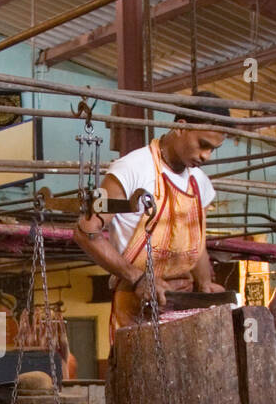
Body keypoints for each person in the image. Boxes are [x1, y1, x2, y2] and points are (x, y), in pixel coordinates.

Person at [74, 92, 231, 333]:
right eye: (203, 145)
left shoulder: (200, 182)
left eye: (214, 149)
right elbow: (85, 232)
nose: (206, 156)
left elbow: (196, 242)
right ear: (181, 127)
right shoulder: (131, 169)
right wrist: (137, 277)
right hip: (139, 306)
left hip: (184, 305)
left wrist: (205, 283)